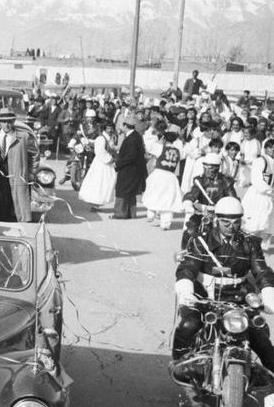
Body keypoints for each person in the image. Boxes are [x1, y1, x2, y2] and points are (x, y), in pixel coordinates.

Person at [171, 197, 274, 387]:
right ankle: (178, 363)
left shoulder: (250, 242)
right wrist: (186, 289)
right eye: (226, 222)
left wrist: (268, 293)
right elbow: (188, 267)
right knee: (189, 324)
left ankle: (268, 374)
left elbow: (261, 271)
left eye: (236, 222)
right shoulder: (201, 241)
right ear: (217, 219)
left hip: (238, 298)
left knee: (259, 334)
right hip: (204, 297)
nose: (231, 227)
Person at [0, 109, 37, 223]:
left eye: (10, 121)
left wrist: (31, 173)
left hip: (15, 178)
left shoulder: (24, 137)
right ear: (0, 121)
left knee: (13, 206)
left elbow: (34, 155)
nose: (7, 125)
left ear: (14, 121)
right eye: (4, 121)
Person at [112, 116, 147, 220]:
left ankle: (120, 213)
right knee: (131, 191)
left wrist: (118, 164)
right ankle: (131, 213)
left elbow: (131, 156)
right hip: (134, 169)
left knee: (122, 189)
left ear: (125, 126)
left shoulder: (131, 138)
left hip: (129, 168)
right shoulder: (136, 136)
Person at [78, 121, 117, 210]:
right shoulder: (101, 138)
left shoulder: (111, 138)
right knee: (98, 183)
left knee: (106, 182)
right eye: (108, 128)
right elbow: (100, 151)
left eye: (111, 128)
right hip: (101, 163)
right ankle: (94, 203)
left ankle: (98, 203)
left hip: (108, 164)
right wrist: (110, 159)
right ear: (104, 129)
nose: (110, 130)